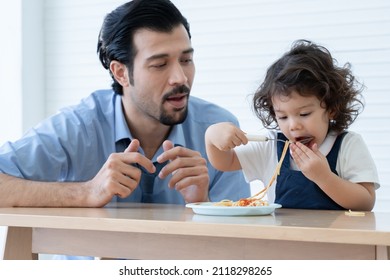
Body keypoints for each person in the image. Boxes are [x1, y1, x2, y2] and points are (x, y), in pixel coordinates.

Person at [0, 0, 250, 208]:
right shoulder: (79, 126)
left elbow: (242, 244)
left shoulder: (218, 130)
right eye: (160, 65)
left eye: (186, 60)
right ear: (120, 73)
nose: (181, 78)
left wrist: (204, 205)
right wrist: (86, 192)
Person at [205, 39, 380, 211]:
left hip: (335, 239)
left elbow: (365, 202)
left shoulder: (348, 145)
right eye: (282, 117)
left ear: (332, 108)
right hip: (283, 238)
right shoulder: (272, 146)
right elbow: (226, 162)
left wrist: (323, 177)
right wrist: (212, 136)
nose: (293, 125)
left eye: (304, 114)